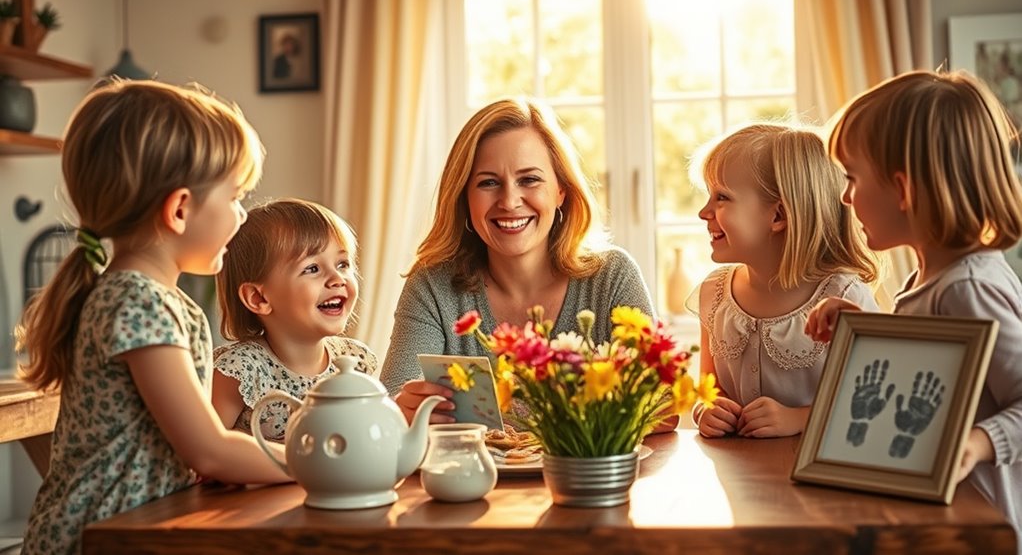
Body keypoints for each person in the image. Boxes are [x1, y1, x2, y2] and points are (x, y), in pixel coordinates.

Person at [14, 80, 291, 555]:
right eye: (235, 197)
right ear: (180, 209)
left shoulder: (153, 299)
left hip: (137, 526)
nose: (242, 216)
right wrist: (319, 464)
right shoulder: (138, 301)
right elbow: (208, 449)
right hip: (100, 538)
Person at [805, 70, 1022, 541]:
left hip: (979, 529)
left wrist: (980, 442)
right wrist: (866, 328)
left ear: (902, 189)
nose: (845, 197)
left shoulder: (967, 288)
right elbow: (939, 372)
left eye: (852, 178)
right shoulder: (932, 279)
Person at [380, 97, 657, 426]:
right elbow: (393, 397)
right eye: (488, 183)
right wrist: (401, 408)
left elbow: (662, 402)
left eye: (529, 180)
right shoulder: (432, 286)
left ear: (561, 192)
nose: (509, 201)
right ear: (464, 198)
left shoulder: (613, 277)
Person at [693, 123, 880, 439]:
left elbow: (874, 401)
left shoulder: (844, 296)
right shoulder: (713, 293)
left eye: (721, 197)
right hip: (739, 478)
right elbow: (707, 387)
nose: (703, 212)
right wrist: (707, 409)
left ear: (777, 216)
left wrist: (800, 418)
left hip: (817, 480)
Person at [212, 198, 378, 441]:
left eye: (342, 264)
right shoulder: (239, 371)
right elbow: (206, 455)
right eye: (312, 268)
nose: (337, 279)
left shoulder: (357, 362)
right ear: (258, 298)